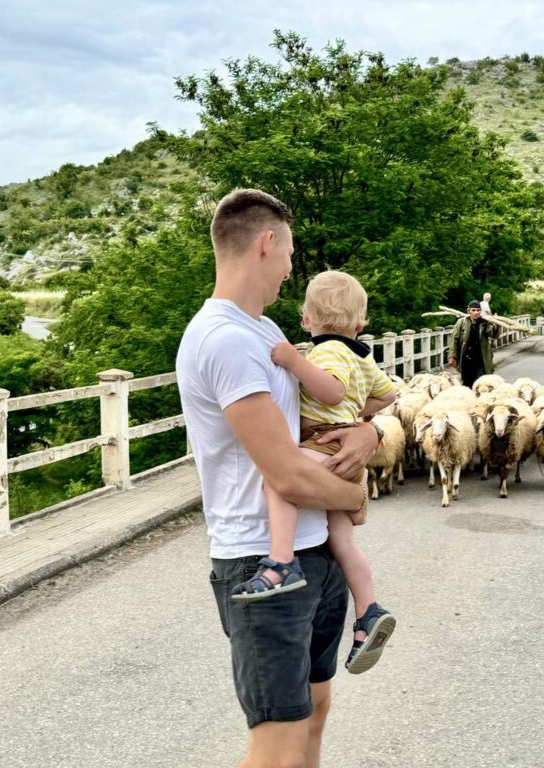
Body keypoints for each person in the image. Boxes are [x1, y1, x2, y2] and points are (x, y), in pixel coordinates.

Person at [176, 189, 380, 767]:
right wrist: (356, 496)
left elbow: (330, 414)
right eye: (290, 252)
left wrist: (371, 435)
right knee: (278, 750)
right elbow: (287, 473)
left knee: (314, 716)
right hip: (261, 562)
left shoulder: (265, 333)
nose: (292, 268)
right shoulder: (227, 340)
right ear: (268, 243)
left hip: (313, 553)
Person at [231, 269, 398, 675]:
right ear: (361, 324)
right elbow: (389, 393)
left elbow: (331, 391)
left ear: (306, 320)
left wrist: (293, 360)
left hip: (321, 445)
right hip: (342, 452)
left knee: (279, 481)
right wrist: (361, 419)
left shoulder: (324, 352)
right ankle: (368, 610)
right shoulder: (362, 354)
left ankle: (281, 563)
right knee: (343, 542)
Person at [447, 299, 502, 388]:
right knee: (467, 383)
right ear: (468, 311)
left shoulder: (485, 322)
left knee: (482, 383)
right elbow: (455, 339)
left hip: (481, 358)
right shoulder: (461, 322)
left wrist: (496, 326)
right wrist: (452, 356)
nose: (476, 312)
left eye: (478, 310)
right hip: (466, 358)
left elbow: (493, 334)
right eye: (473, 310)